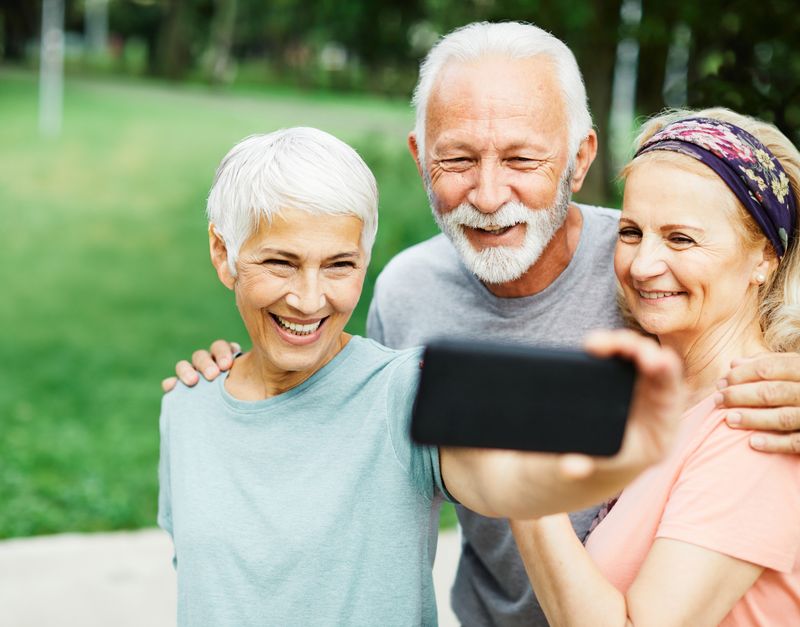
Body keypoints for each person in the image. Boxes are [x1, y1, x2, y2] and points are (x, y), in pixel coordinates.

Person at [164, 22, 800, 626]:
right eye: (458, 159)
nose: (489, 195)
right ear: (420, 159)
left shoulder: (649, 279)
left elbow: (758, 309)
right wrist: (234, 388)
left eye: (522, 159)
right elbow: (355, 440)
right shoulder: (407, 293)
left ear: (579, 160)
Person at [159, 126, 684, 626]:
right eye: (280, 263)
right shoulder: (186, 406)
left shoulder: (405, 391)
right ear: (223, 253)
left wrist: (619, 457)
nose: (310, 297)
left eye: (339, 265)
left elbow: (508, 482)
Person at [511, 109, 800, 626]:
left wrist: (523, 488)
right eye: (630, 232)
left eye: (681, 238)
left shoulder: (758, 424)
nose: (642, 265)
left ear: (764, 258)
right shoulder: (659, 392)